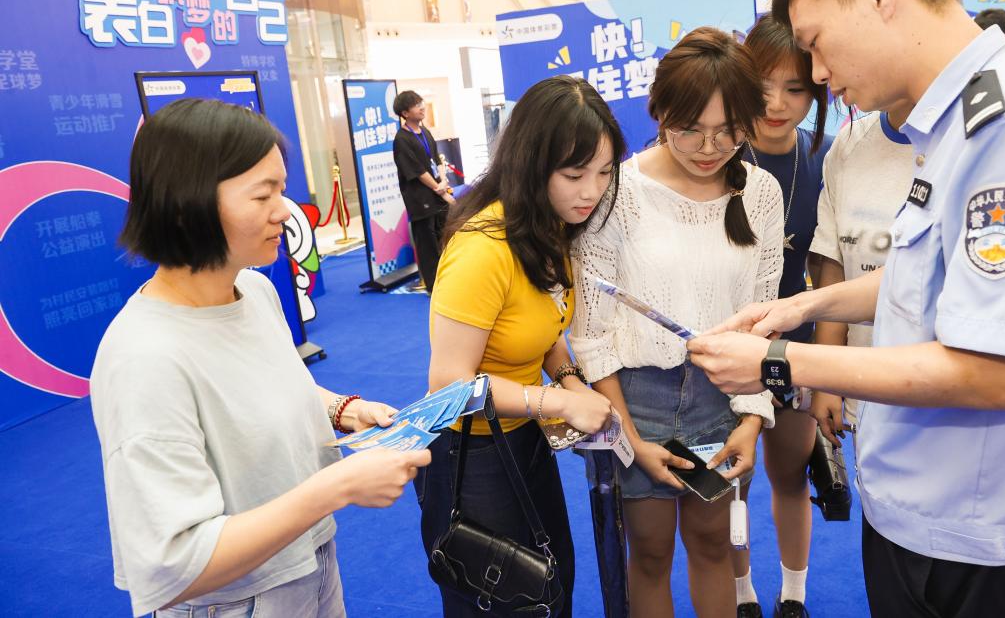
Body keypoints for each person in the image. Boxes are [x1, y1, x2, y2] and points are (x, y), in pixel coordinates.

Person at [687, 0, 1005, 618]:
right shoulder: (954, 124)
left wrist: (779, 362)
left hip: (975, 545)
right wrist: (805, 306)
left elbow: (1000, 372)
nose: (819, 74)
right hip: (924, 520)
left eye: (817, 44)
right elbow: (930, 277)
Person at [90, 99, 430, 617]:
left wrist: (342, 410)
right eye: (262, 194)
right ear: (186, 204)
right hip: (234, 602)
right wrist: (337, 487)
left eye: (281, 189)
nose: (284, 210)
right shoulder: (143, 358)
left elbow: (267, 386)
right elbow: (174, 564)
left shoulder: (253, 289)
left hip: (309, 560)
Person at [570, 26, 782, 618]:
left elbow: (764, 319)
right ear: (659, 112)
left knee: (714, 545)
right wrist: (630, 439)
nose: (710, 147)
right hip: (636, 399)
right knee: (650, 552)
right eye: (689, 128)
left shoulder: (760, 192)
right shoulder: (617, 191)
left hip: (724, 396)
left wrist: (752, 420)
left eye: (729, 130)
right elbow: (592, 331)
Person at [416, 75, 624, 617]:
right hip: (472, 454)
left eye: (604, 173)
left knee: (551, 588)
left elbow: (543, 324)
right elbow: (449, 386)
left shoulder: (550, 226)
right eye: (574, 175)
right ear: (532, 165)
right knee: (506, 601)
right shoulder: (483, 248)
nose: (591, 191)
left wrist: (569, 379)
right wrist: (558, 401)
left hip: (523, 438)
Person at [727, 13, 830, 618]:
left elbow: (828, 268)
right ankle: (741, 594)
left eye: (795, 89)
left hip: (795, 348)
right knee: (731, 482)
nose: (776, 103)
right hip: (727, 350)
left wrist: (827, 365)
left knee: (791, 475)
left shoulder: (824, 159)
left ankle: (794, 593)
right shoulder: (716, 156)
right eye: (763, 86)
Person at [807, 101, 915, 446]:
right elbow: (834, 265)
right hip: (864, 384)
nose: (822, 77)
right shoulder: (850, 141)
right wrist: (828, 378)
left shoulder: (966, 140)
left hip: (940, 402)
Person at [392, 90, 453, 294]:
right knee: (427, 245)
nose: (422, 107)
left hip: (437, 194)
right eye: (416, 105)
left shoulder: (424, 132)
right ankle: (434, 288)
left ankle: (449, 281)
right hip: (421, 200)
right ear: (405, 113)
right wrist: (439, 188)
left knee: (445, 238)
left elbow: (436, 158)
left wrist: (443, 180)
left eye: (421, 102)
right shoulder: (402, 139)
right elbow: (416, 171)